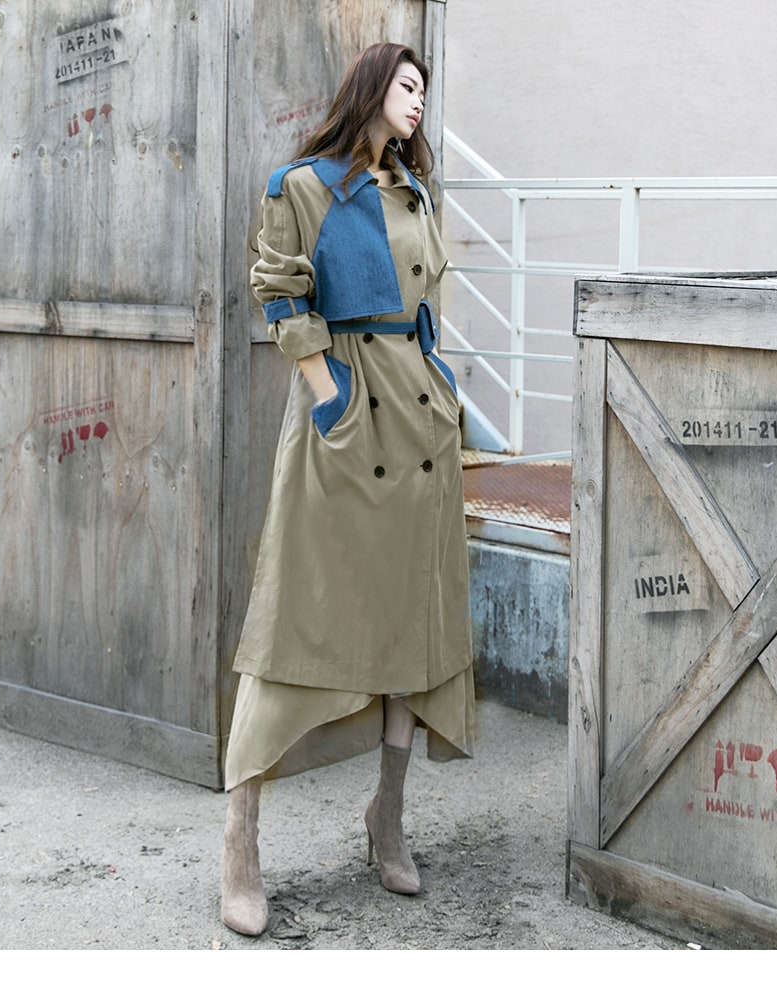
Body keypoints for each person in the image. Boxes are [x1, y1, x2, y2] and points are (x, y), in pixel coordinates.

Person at [220, 42, 475, 937]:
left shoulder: (414, 190)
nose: (418, 100)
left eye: (424, 89)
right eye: (406, 85)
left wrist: (443, 391)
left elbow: (424, 305)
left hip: (420, 423)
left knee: (411, 623)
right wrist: (328, 396)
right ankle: (241, 841)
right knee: (293, 623)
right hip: (347, 420)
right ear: (370, 89)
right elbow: (280, 295)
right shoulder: (302, 186)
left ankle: (387, 819)